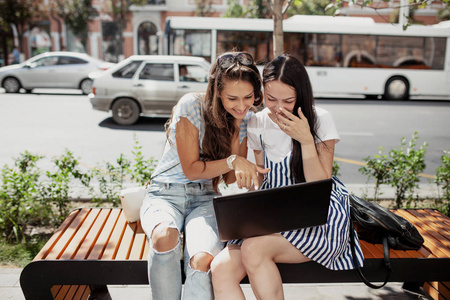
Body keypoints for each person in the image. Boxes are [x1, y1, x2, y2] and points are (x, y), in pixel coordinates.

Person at [211, 54, 364, 300]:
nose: (279, 107)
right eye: (271, 99)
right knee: (220, 270)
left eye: (288, 100)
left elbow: (319, 185)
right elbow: (262, 183)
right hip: (274, 215)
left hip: (317, 218)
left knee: (253, 249)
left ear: (300, 95)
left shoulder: (320, 119)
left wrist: (305, 139)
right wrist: (246, 195)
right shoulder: (257, 121)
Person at [140, 51, 269, 300]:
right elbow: (191, 169)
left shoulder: (245, 118)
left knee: (202, 259)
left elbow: (230, 179)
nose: (242, 105)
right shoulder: (191, 105)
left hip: (206, 198)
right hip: (165, 193)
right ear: (217, 92)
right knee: (165, 236)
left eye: (248, 97)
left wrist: (235, 129)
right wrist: (233, 161)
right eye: (232, 98)